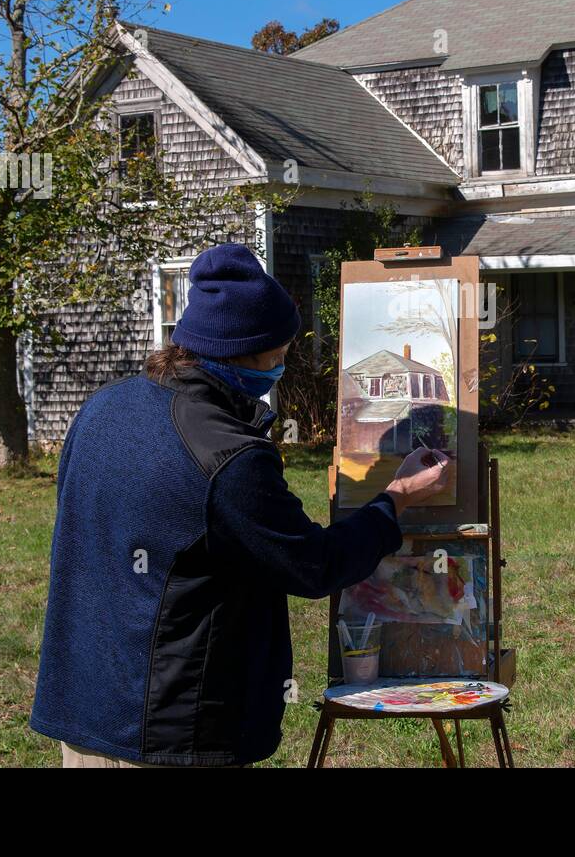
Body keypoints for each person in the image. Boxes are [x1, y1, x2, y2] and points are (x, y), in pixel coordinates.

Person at [29, 242, 453, 767]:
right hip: (172, 734)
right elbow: (313, 564)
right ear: (242, 352)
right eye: (278, 354)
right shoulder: (228, 456)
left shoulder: (100, 411)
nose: (282, 364)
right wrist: (396, 499)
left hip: (85, 711)